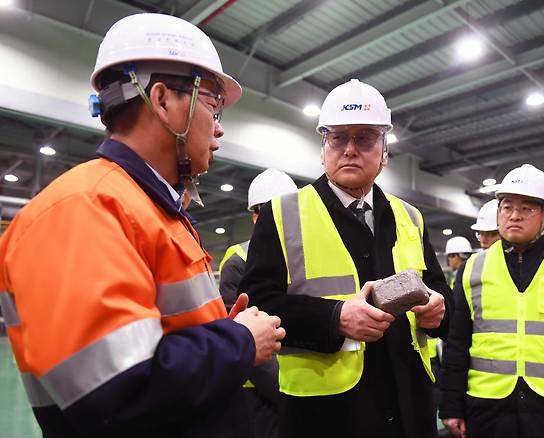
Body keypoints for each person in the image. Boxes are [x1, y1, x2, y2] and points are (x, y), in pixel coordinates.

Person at [0, 13, 285, 438]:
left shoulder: (151, 208)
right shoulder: (85, 207)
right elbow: (114, 394)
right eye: (212, 102)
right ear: (163, 99)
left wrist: (220, 326)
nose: (220, 127)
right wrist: (239, 342)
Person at [239, 78, 454, 438]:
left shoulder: (410, 217)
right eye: (338, 138)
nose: (350, 149)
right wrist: (335, 318)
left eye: (365, 138)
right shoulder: (282, 214)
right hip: (325, 415)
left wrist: (439, 309)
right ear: (323, 149)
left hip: (409, 408)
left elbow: (439, 290)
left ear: (384, 151)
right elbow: (257, 304)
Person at [439, 164, 544, 438]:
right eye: (507, 207)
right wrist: (451, 406)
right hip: (487, 411)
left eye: (527, 209)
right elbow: (457, 342)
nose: (514, 216)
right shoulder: (472, 269)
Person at [218, 168, 298, 438]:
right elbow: (244, 336)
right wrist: (287, 396)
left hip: (303, 386)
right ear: (255, 217)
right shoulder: (238, 261)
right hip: (260, 395)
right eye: (268, 211)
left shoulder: (301, 259)